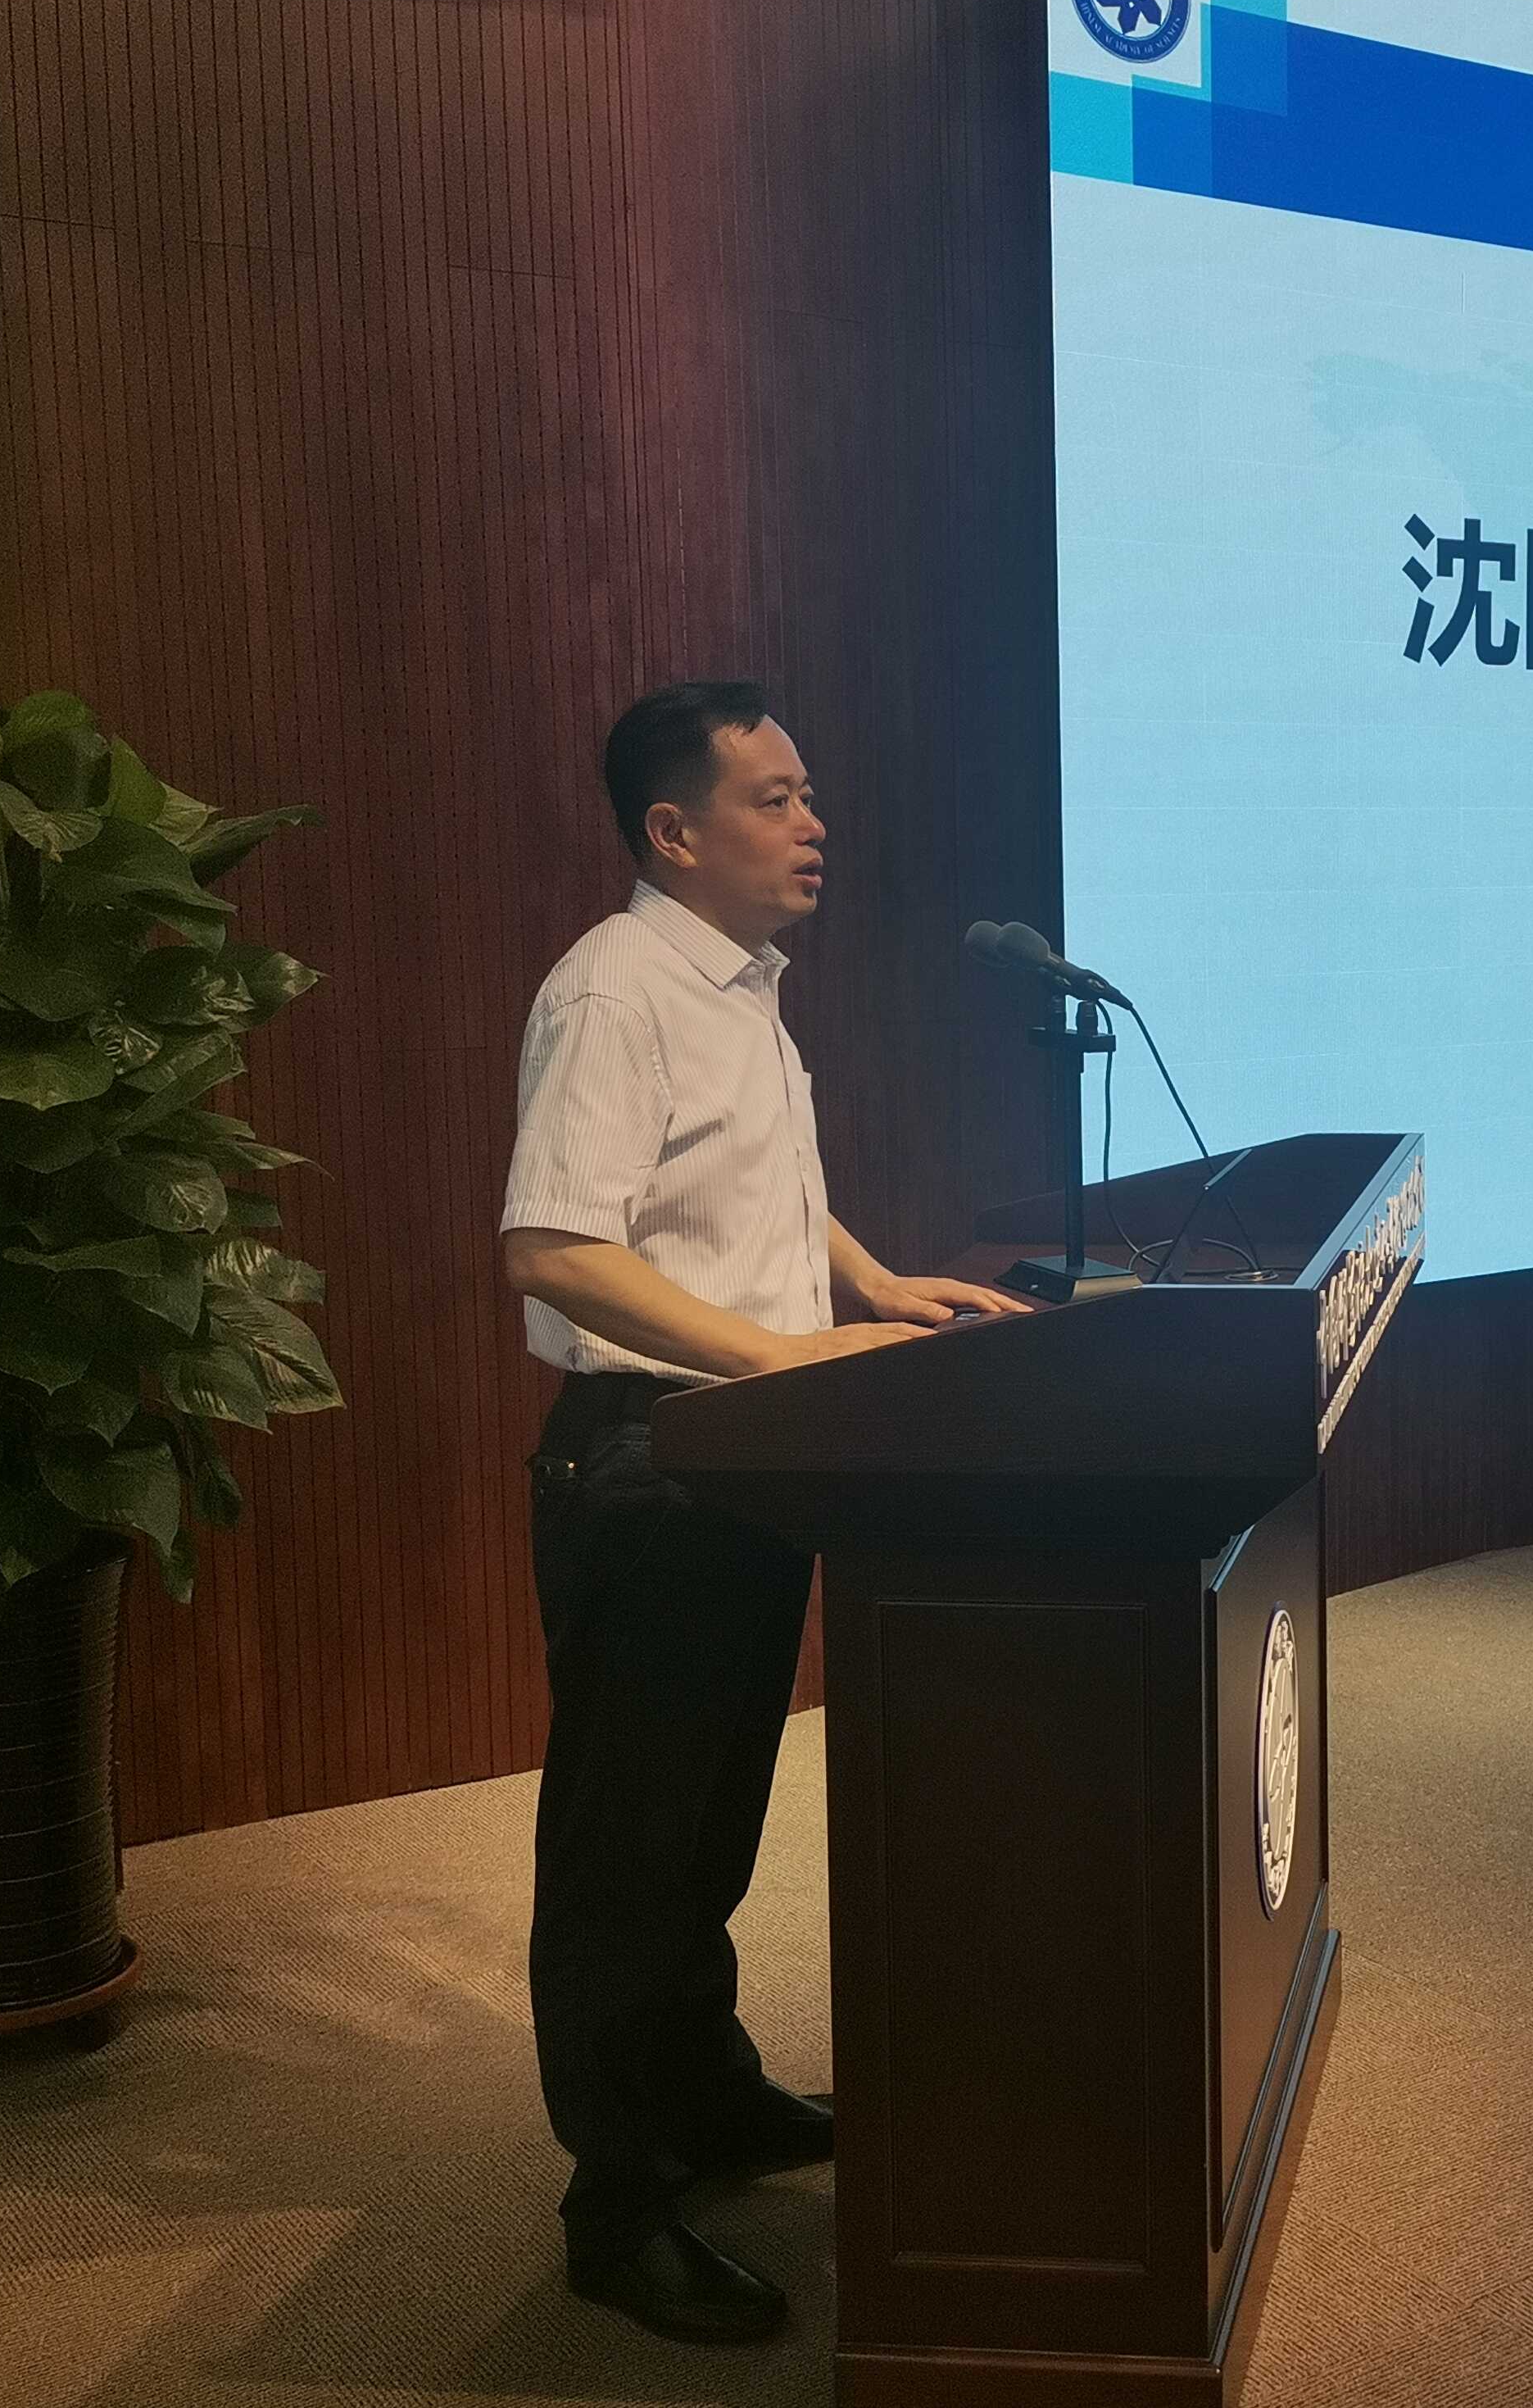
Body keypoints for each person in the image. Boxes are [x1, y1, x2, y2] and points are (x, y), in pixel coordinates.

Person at [497, 681, 1023, 2344]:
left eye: (809, 794)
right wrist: (793, 1354)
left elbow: (752, 1189)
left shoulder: (737, 988)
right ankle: (616, 2202)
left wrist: (874, 1281)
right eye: (776, 798)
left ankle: (706, 2094)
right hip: (651, 1459)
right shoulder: (615, 990)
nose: (814, 826)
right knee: (628, 1845)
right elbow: (555, 1248)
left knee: (709, 1814)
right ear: (674, 830)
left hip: (742, 1449)